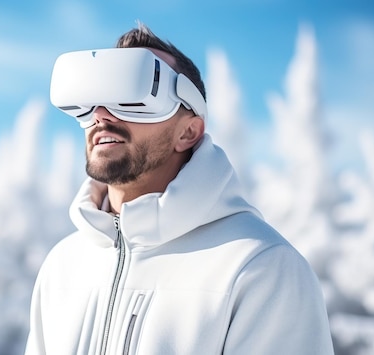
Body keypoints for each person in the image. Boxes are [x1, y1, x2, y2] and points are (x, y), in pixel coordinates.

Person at [25, 23, 334, 355]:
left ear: (188, 132)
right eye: (93, 100)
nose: (100, 115)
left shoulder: (260, 267)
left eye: (131, 97)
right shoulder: (63, 264)